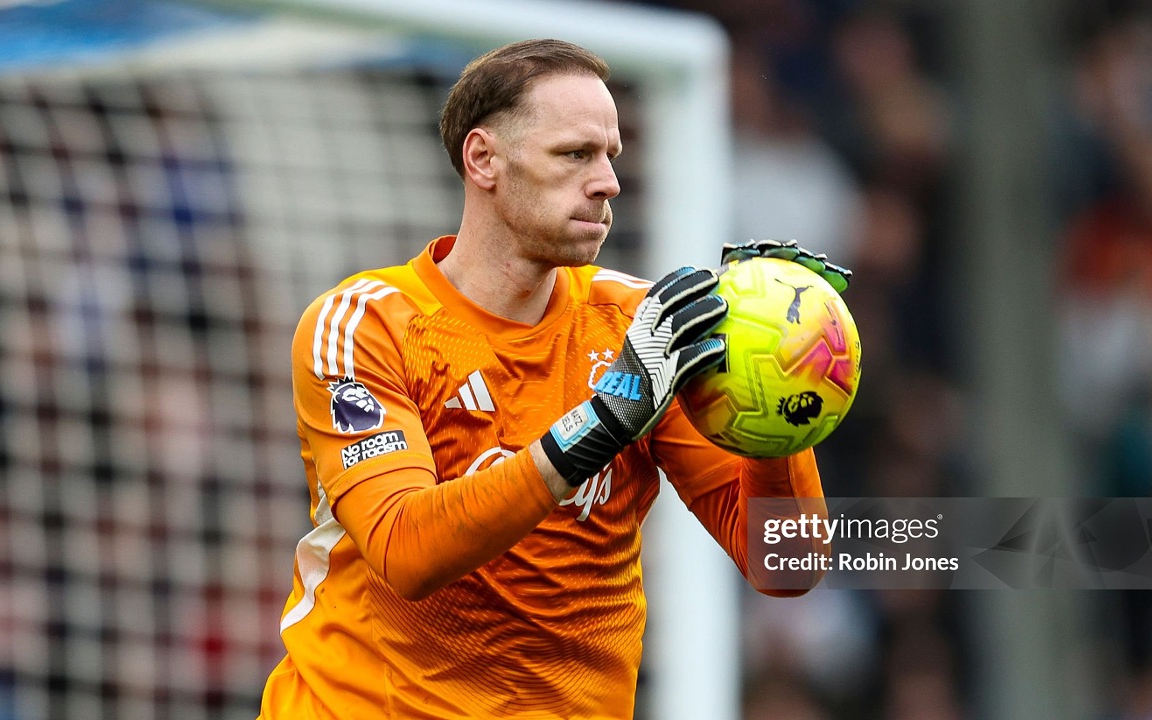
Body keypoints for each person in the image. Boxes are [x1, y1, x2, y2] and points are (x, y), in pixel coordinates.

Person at [257, 38, 849, 719]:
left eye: (611, 157)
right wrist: (599, 426)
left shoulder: (639, 326)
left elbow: (788, 567)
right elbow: (407, 550)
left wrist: (776, 389)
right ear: (484, 160)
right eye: (575, 155)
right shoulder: (365, 325)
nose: (608, 183)